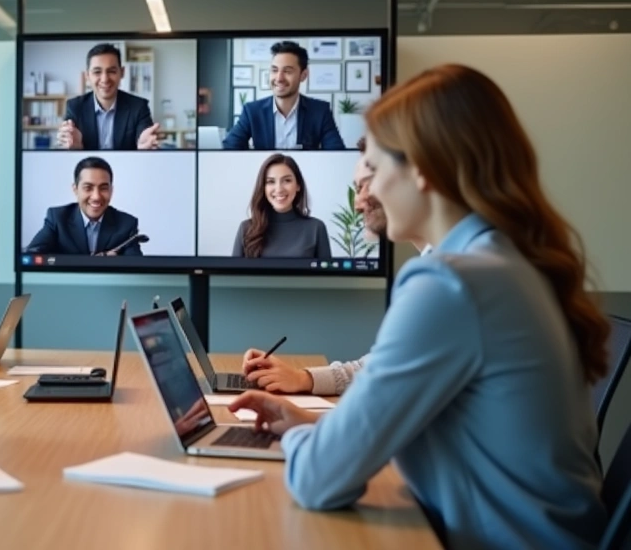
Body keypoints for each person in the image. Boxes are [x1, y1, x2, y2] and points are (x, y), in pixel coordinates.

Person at [230, 64, 608, 549]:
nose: (370, 189)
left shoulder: (449, 283)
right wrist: (310, 422)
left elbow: (318, 480)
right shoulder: (504, 261)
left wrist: (307, 443)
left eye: (377, 169)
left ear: (423, 170)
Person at [241, 136, 430, 394]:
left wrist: (299, 428)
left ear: (417, 178)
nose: (358, 202)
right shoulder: (437, 265)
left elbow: (387, 382)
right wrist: (303, 379)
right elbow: (378, 367)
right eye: (358, 188)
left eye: (367, 186)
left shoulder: (444, 279)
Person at [222, 41, 345, 151]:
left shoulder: (320, 111)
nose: (279, 78)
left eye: (287, 71)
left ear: (303, 75)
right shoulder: (252, 111)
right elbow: (229, 148)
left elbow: (336, 153)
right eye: (274, 70)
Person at [24, 156, 143, 256]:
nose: (96, 196)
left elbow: (136, 267)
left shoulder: (127, 224)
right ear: (75, 190)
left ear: (111, 191)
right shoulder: (57, 218)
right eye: (88, 188)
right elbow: (31, 256)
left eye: (103, 188)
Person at [55, 43, 162, 151]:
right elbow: (69, 144)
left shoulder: (139, 107)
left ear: (122, 72)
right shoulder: (75, 107)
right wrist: (73, 145)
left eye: (111, 71)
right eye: (97, 72)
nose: (105, 79)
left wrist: (144, 146)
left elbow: (145, 140)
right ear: (87, 76)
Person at [231, 153, 331, 259]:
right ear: (263, 188)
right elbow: (232, 275)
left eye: (287, 180)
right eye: (270, 182)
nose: (279, 189)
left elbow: (327, 275)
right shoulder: (246, 229)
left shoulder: (316, 228)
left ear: (298, 185)